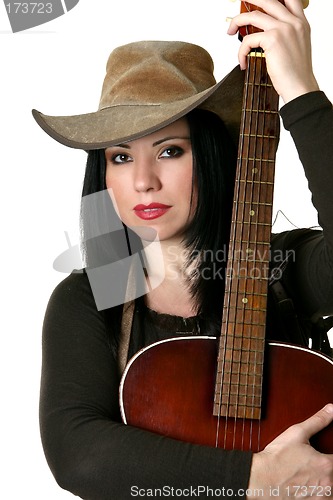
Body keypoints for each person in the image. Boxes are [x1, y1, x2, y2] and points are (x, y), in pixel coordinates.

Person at [34, 0, 333, 498]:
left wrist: (301, 90)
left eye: (171, 150)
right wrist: (253, 479)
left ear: (210, 156)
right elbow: (78, 454)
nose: (144, 181)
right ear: (102, 174)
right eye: (121, 156)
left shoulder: (279, 271)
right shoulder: (88, 300)